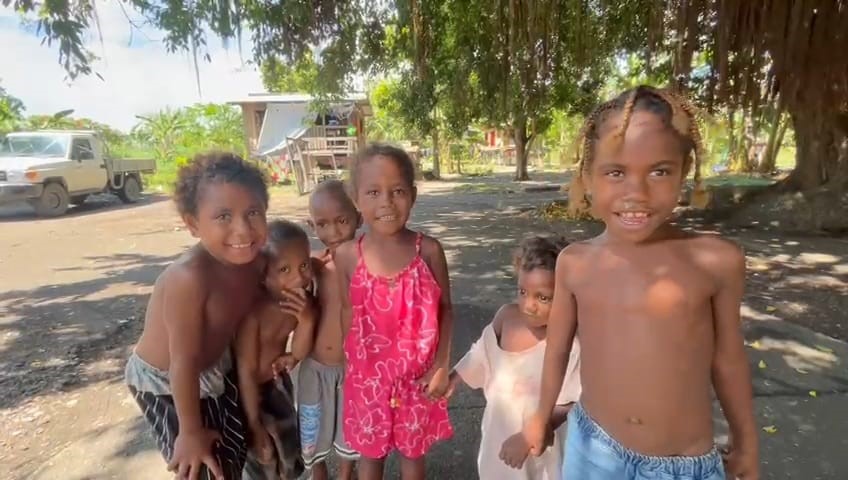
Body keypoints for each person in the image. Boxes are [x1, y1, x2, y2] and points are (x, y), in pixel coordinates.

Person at [523, 85, 759, 480]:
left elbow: (729, 360)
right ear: (588, 176)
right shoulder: (575, 263)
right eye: (616, 172)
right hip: (593, 450)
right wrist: (540, 414)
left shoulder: (715, 261)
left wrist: (747, 443)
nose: (637, 192)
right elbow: (557, 350)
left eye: (659, 171)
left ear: (684, 170)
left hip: (683, 464)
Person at [124, 152, 269, 480]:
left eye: (253, 213)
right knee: (201, 464)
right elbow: (183, 362)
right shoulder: (189, 278)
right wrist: (189, 432)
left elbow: (291, 265)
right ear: (193, 224)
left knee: (231, 448)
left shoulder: (256, 260)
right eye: (223, 216)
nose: (243, 229)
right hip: (166, 380)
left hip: (213, 365)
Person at [335, 144, 454, 480]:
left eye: (397, 191)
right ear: (356, 198)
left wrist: (442, 366)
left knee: (412, 456)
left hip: (417, 381)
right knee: (370, 456)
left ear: (412, 195)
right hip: (367, 381)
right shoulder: (347, 256)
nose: (386, 202)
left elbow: (446, 309)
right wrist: (349, 369)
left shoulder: (428, 251)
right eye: (373, 192)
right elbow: (347, 312)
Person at [447, 236, 581, 480]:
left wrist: (530, 435)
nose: (529, 305)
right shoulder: (506, 318)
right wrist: (452, 379)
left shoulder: (570, 342)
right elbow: (480, 352)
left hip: (540, 451)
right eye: (523, 292)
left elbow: (572, 401)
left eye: (543, 297)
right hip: (497, 433)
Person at [294, 179, 362, 480]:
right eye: (322, 224)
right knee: (311, 427)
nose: (333, 232)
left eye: (342, 221)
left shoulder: (368, 264)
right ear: (312, 225)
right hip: (315, 367)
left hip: (354, 370)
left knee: (351, 428)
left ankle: (346, 474)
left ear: (358, 218)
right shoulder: (314, 267)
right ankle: (317, 471)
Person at [237, 220, 316, 480]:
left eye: (304, 265)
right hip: (246, 391)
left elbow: (298, 352)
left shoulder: (301, 303)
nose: (298, 277)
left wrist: (306, 321)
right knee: (261, 454)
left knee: (287, 448)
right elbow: (246, 370)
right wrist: (253, 422)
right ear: (263, 274)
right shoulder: (253, 311)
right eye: (284, 269)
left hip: (276, 385)